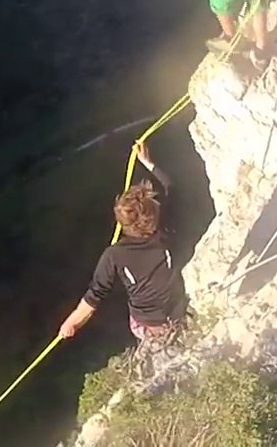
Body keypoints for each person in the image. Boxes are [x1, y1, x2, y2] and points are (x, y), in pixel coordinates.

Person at [59, 142, 188, 344]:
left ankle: (155, 343)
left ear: (123, 223)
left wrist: (71, 324)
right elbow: (172, 187)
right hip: (178, 309)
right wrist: (148, 162)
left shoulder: (114, 255)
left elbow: (94, 297)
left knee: (139, 318)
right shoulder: (167, 229)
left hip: (149, 325)